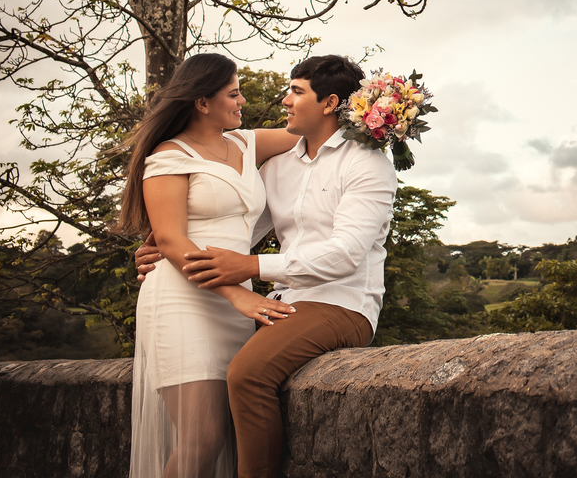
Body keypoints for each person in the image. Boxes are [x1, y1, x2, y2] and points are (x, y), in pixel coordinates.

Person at [136, 54, 397, 478]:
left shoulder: (365, 162)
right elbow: (239, 231)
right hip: (280, 301)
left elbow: (346, 253)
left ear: (330, 104)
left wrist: (250, 267)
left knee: (248, 374)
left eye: (296, 91)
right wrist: (165, 242)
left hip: (342, 300)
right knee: (209, 427)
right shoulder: (279, 166)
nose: (284, 100)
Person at [115, 53, 299, 478]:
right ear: (202, 102)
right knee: (202, 438)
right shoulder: (168, 156)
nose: (242, 101)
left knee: (226, 439)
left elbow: (315, 133)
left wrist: (378, 111)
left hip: (234, 304)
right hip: (183, 300)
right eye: (233, 94)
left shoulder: (247, 143)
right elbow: (171, 240)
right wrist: (237, 293)